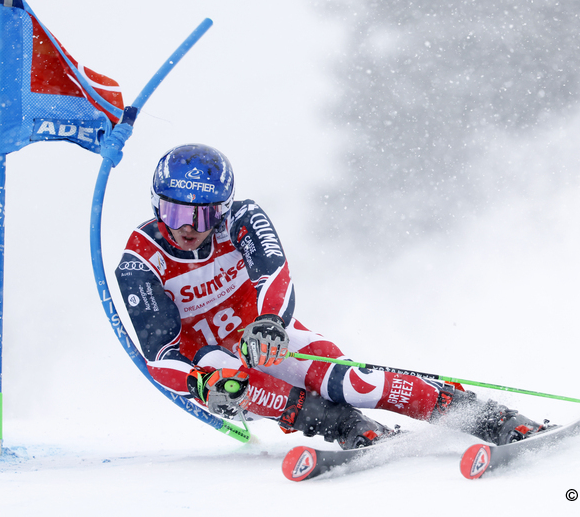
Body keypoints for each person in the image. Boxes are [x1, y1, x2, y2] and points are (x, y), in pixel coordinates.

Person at [115, 143, 547, 449]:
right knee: (232, 377)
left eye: (202, 213)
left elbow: (274, 274)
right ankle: (343, 427)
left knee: (351, 382)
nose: (187, 226)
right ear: (157, 205)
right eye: (174, 211)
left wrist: (269, 323)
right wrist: (194, 381)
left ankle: (481, 415)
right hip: (212, 365)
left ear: (222, 210)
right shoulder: (140, 261)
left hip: (262, 334)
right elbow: (160, 353)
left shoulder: (241, 219)